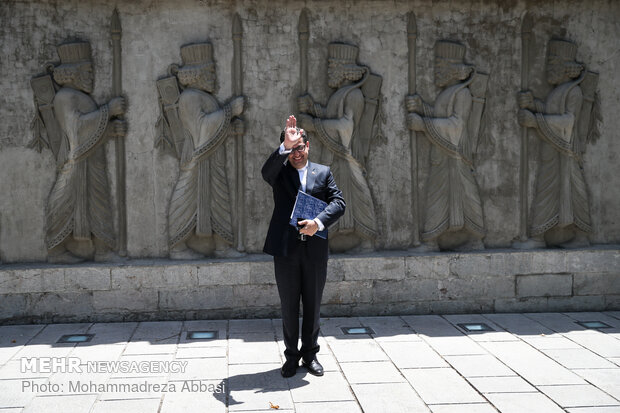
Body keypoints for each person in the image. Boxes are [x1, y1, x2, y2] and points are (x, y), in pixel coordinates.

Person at [262, 115, 345, 377]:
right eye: (291, 149)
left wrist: (318, 223)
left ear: (308, 146)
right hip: (286, 251)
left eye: (300, 147)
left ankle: (310, 355)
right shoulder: (280, 172)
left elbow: (339, 203)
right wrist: (285, 146)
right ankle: (291, 357)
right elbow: (266, 172)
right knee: (289, 306)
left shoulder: (323, 172)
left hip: (314, 251)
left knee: (312, 305)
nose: (297, 153)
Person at [44, 41, 126, 263]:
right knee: (62, 202)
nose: (92, 77)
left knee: (99, 205)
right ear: (73, 74)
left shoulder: (82, 97)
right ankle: (57, 251)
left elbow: (92, 131)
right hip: (76, 160)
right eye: (88, 72)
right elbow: (77, 129)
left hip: (93, 161)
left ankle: (103, 250)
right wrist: (107, 111)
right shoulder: (64, 97)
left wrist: (109, 130)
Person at [164, 42, 245, 259]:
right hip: (197, 159)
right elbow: (201, 128)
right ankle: (178, 246)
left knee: (219, 200)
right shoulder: (189, 98)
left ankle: (222, 245)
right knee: (187, 199)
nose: (214, 76)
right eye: (210, 72)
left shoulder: (205, 97)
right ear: (196, 75)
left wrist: (230, 126)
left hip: (214, 158)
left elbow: (215, 127)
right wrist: (229, 111)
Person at [407, 40, 485, 251]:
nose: (435, 71)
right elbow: (442, 116)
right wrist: (423, 109)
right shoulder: (449, 92)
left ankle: (475, 238)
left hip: (456, 153)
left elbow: (456, 125)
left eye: (440, 67)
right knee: (437, 195)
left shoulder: (463, 94)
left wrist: (423, 124)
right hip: (442, 153)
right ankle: (431, 239)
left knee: (466, 195)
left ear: (453, 70)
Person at [517, 39, 593, 248]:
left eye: (553, 64)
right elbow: (553, 112)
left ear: (566, 68)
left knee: (574, 193)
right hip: (551, 151)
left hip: (565, 152)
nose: (548, 69)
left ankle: (580, 236)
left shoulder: (574, 93)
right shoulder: (558, 91)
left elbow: (568, 121)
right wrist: (535, 106)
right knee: (546, 191)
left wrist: (536, 120)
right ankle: (539, 236)